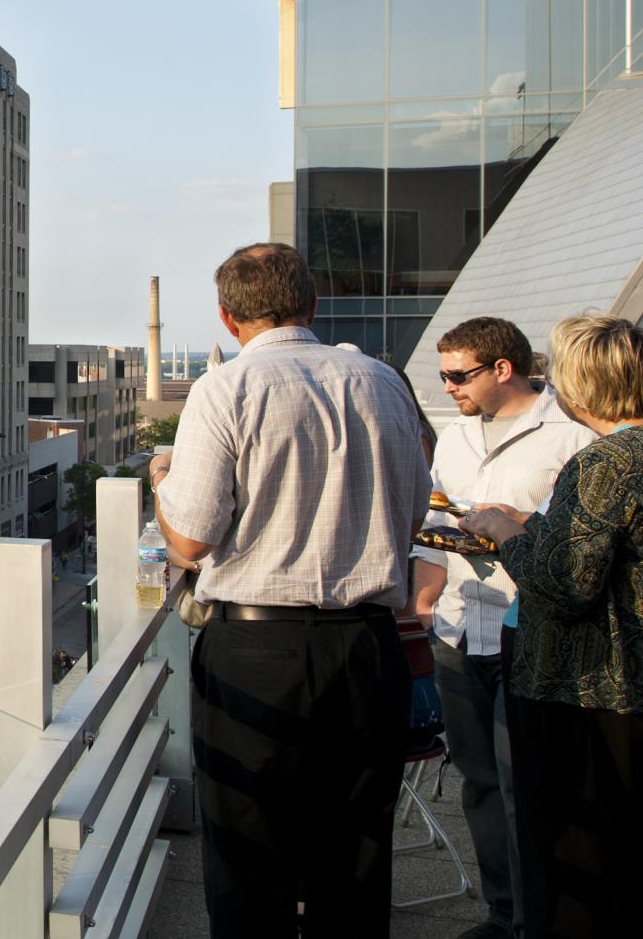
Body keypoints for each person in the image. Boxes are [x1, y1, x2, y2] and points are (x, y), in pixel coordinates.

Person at [150, 242, 428, 937]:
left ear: (225, 317)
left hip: (257, 649)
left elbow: (189, 540)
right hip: (369, 646)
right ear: (313, 304)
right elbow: (415, 508)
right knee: (357, 853)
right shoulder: (382, 381)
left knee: (249, 855)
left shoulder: (227, 387)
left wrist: (162, 480)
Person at [409, 316, 590, 939]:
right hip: (458, 628)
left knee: (530, 788)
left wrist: (517, 525)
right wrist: (425, 595)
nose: (449, 386)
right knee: (480, 785)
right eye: (444, 375)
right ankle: (502, 913)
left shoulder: (569, 436)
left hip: (528, 630)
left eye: (458, 376)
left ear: (502, 370)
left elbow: (578, 542)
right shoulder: (455, 437)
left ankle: (540, 917)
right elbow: (434, 525)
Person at [463, 314, 643, 939]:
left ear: (580, 384)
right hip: (624, 690)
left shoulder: (607, 462)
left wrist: (508, 534)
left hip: (585, 693)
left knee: (575, 869)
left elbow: (568, 584)